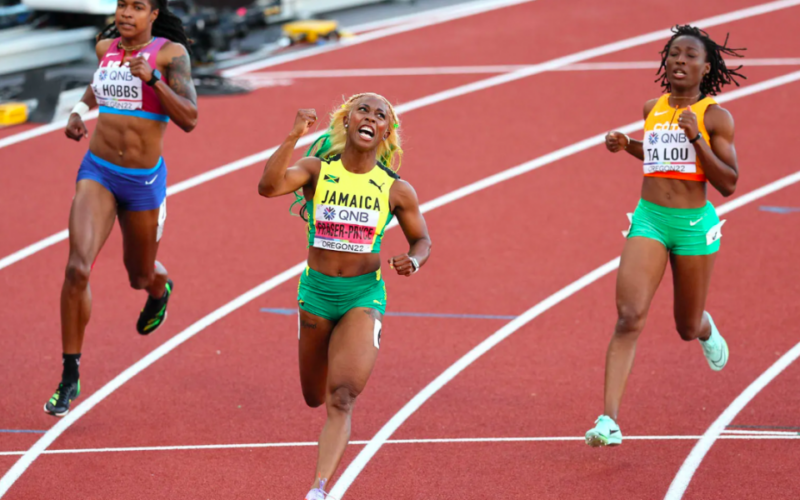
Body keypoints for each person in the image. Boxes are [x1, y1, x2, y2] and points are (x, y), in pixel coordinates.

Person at [258, 93, 432, 499]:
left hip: (362, 296)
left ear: (387, 131)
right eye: (363, 110)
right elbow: (268, 187)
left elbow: (422, 238)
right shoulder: (317, 170)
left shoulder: (395, 189)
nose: (371, 116)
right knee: (312, 395)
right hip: (316, 294)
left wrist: (414, 259)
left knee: (341, 396)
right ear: (347, 123)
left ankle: (318, 490)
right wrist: (293, 136)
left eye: (380, 114)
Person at [585, 25, 745, 447]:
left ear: (706, 67)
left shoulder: (715, 116)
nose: (679, 61)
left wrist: (697, 137)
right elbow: (660, 156)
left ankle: (707, 329)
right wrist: (630, 145)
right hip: (649, 220)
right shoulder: (652, 107)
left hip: (693, 228)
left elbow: (728, 182)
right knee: (628, 316)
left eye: (690, 56)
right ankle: (609, 420)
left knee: (686, 326)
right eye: (673, 53)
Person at [44, 0, 198, 417]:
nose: (126, 13)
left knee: (139, 275)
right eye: (121, 4)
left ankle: (158, 289)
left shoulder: (170, 55)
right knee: (77, 268)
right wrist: (79, 111)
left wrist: (155, 82)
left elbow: (190, 118)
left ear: (153, 15)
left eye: (137, 6)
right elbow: (99, 84)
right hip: (98, 171)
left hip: (144, 182)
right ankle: (69, 374)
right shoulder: (104, 47)